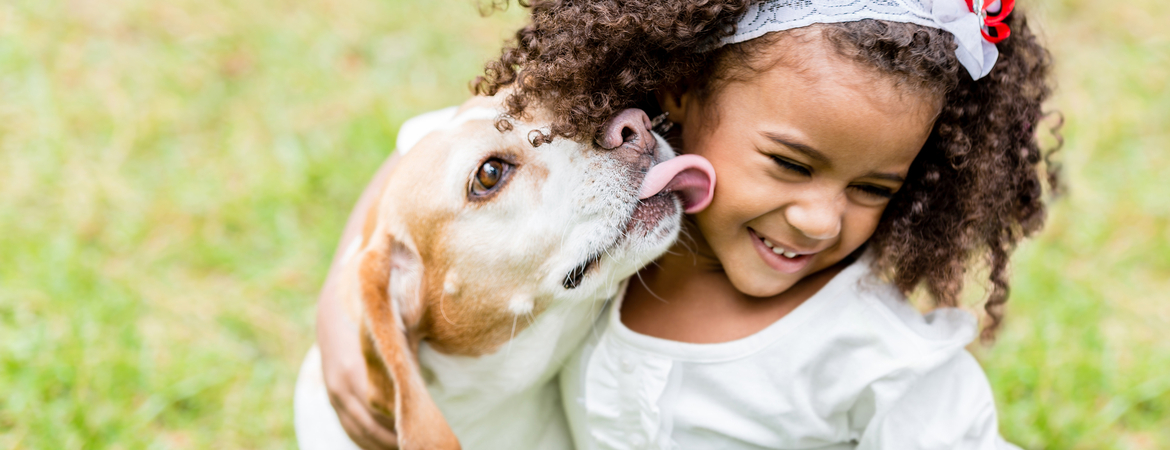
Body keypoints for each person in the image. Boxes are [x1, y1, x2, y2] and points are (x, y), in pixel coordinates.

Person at [309, 0, 1059, 448]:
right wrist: (353, 292)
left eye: (873, 187)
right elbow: (443, 144)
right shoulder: (619, 171)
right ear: (680, 88)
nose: (819, 217)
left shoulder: (873, 354)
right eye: (791, 164)